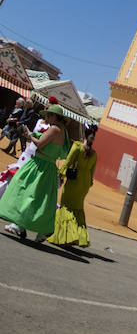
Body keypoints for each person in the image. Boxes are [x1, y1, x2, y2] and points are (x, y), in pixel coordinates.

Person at [0, 98, 68, 240]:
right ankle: (36, 229)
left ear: (56, 116)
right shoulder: (62, 131)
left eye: (49, 115)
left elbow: (40, 144)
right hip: (47, 166)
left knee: (22, 189)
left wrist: (29, 135)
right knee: (40, 198)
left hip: (39, 164)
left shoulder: (54, 129)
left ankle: (19, 223)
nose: (47, 117)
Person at [49, 123, 98, 248]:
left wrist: (61, 174)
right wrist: (87, 183)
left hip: (74, 181)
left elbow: (68, 162)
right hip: (85, 184)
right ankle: (78, 237)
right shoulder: (94, 154)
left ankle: (66, 238)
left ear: (84, 135)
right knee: (78, 209)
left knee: (66, 207)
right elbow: (92, 174)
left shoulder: (77, 147)